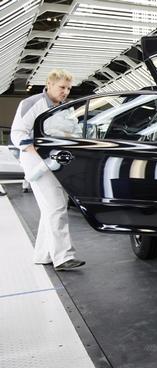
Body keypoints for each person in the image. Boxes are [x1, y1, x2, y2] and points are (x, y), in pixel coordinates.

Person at [10, 69, 85, 271]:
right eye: (62, 87)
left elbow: (75, 132)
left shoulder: (65, 108)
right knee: (56, 207)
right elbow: (18, 133)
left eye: (68, 88)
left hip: (59, 162)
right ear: (49, 84)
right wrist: (41, 156)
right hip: (37, 163)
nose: (65, 92)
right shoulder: (32, 103)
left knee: (51, 208)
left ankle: (42, 255)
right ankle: (63, 257)